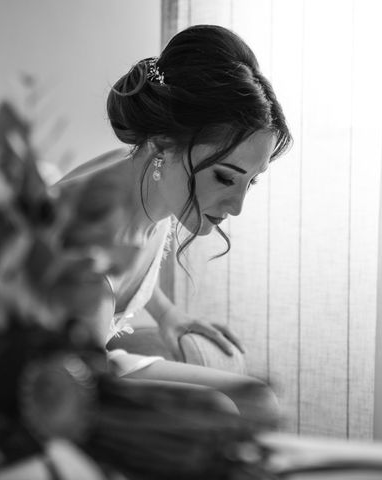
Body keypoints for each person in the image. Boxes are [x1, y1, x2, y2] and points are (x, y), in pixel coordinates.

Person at [56, 24, 292, 421]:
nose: (235, 207)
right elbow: (84, 383)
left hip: (91, 359)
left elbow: (129, 260)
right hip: (65, 384)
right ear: (164, 141)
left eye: (251, 182)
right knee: (226, 411)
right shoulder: (86, 243)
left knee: (255, 399)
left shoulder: (150, 177)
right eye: (224, 177)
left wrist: (168, 315)